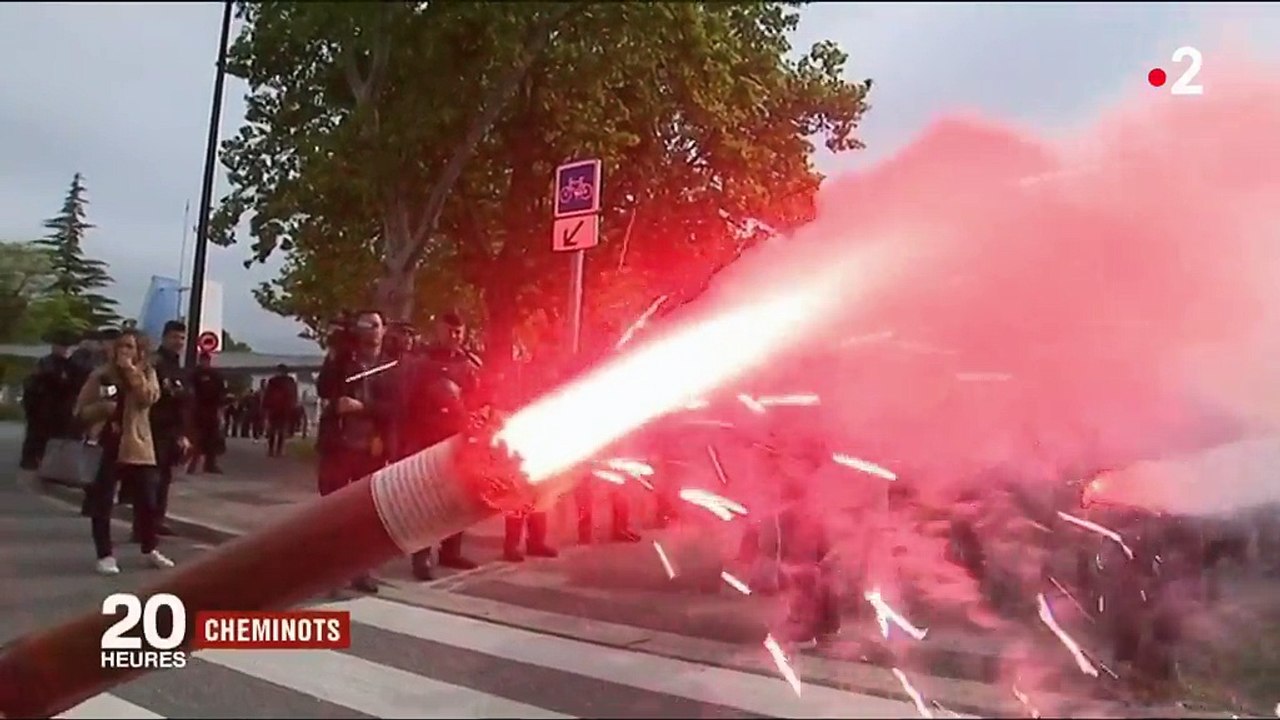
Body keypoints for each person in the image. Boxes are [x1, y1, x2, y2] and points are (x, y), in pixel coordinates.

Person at [74, 328, 174, 575]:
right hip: (108, 443)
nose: (124, 351)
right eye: (121, 346)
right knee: (103, 501)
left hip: (138, 444)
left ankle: (149, 548)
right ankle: (105, 554)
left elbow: (148, 398)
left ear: (140, 351)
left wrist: (130, 371)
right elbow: (80, 410)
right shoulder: (101, 375)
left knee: (148, 501)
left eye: (130, 347)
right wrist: (102, 409)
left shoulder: (147, 373)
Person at [316, 309, 398, 593]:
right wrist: (333, 353)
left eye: (376, 325)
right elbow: (324, 389)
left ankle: (361, 570)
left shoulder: (391, 365)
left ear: (384, 330)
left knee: (365, 514)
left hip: (371, 448)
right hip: (338, 445)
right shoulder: (344, 360)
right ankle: (332, 571)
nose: (371, 330)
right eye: (365, 325)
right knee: (334, 511)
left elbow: (396, 407)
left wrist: (363, 407)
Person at [404, 312, 482, 580]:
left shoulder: (469, 364)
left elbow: (477, 398)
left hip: (457, 436)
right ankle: (422, 556)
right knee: (426, 499)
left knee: (457, 497)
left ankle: (451, 551)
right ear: (438, 330)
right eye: (450, 331)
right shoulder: (421, 362)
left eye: (459, 331)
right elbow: (408, 401)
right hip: (426, 436)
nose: (455, 336)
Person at [144, 321, 192, 536]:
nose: (178, 342)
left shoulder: (178, 367)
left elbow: (183, 400)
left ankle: (157, 520)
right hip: (153, 427)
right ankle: (144, 524)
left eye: (182, 338)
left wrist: (182, 433)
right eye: (174, 337)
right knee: (150, 480)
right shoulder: (155, 363)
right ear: (164, 337)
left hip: (172, 430)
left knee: (164, 478)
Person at [19, 329, 80, 471]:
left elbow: (78, 384)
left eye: (68, 346)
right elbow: (33, 384)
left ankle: (56, 463)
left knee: (62, 437)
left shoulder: (75, 365)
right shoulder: (45, 363)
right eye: (62, 346)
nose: (65, 350)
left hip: (65, 406)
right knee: (38, 435)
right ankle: (33, 459)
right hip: (44, 405)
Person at [187, 352, 226, 474]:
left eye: (206, 361)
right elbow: (190, 390)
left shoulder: (215, 375)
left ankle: (210, 464)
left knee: (212, 437)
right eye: (202, 360)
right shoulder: (195, 375)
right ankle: (193, 463)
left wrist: (220, 410)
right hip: (198, 409)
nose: (204, 363)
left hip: (211, 410)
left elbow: (221, 392)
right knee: (197, 438)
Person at [263, 364, 299, 457]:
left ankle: (271, 450)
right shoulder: (290, 382)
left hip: (274, 408)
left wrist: (265, 406)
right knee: (281, 429)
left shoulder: (272, 381)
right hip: (285, 408)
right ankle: (279, 450)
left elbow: (268, 394)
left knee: (273, 429)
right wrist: (293, 406)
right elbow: (293, 395)